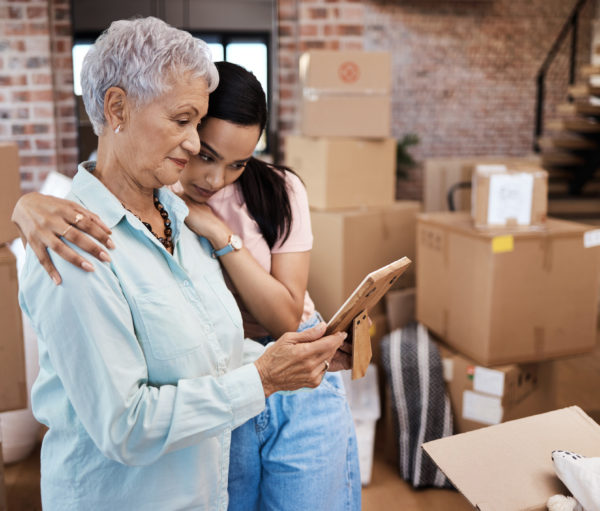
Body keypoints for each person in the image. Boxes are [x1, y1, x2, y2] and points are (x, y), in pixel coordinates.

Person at [15, 17, 346, 511]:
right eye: (182, 120)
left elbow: (211, 356)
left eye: (198, 124)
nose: (194, 145)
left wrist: (292, 358)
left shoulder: (179, 220)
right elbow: (126, 426)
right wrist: (266, 377)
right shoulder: (75, 242)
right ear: (117, 108)